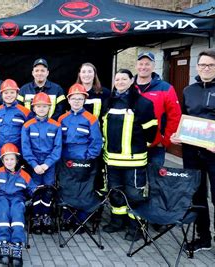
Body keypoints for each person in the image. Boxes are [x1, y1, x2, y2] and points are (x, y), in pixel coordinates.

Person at [171, 49, 215, 264]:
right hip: (192, 153)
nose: (205, 69)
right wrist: (177, 135)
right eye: (202, 65)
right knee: (197, 196)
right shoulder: (189, 90)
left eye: (210, 65)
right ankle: (204, 238)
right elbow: (183, 118)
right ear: (197, 66)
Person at [101, 69, 158, 241]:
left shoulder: (143, 103)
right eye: (117, 79)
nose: (120, 82)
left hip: (134, 161)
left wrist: (138, 144)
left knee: (134, 195)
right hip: (111, 159)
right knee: (115, 192)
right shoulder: (108, 102)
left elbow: (151, 132)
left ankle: (136, 227)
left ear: (131, 80)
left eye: (124, 79)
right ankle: (118, 222)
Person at [0, 143, 37, 267]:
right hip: (1, 198)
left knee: (17, 214)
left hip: (17, 198)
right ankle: (4, 244)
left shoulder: (24, 175)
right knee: (3, 212)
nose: (9, 162)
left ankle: (17, 247)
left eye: (12, 159)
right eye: (6, 159)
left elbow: (33, 189)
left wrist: (38, 191)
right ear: (2, 160)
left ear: (17, 160)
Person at [57, 84, 103, 232]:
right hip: (65, 161)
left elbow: (96, 141)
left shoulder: (91, 119)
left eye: (80, 98)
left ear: (84, 100)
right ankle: (67, 217)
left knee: (83, 190)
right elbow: (58, 141)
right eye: (74, 98)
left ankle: (80, 220)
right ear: (69, 100)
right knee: (66, 188)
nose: (76, 101)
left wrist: (88, 158)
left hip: (84, 161)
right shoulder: (62, 118)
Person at [21, 92, 62, 235]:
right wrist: (34, 165)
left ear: (49, 107)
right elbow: (25, 148)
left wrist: (46, 164)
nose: (42, 109)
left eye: (45, 106)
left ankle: (47, 216)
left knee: (48, 190)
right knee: (35, 191)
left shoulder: (56, 126)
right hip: (34, 165)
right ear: (33, 108)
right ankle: (36, 217)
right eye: (38, 106)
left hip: (49, 165)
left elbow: (58, 149)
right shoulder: (27, 126)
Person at [135, 52, 181, 166]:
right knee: (134, 182)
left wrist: (165, 140)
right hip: (132, 144)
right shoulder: (128, 86)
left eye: (147, 64)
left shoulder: (165, 88)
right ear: (136, 66)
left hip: (155, 146)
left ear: (153, 66)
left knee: (155, 181)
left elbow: (175, 116)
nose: (143, 67)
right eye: (141, 64)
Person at [76, 62, 111, 196]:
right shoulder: (74, 92)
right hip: (79, 141)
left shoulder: (104, 93)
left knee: (97, 172)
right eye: (83, 72)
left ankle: (97, 208)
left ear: (94, 74)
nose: (86, 75)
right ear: (79, 74)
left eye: (90, 71)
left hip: (98, 140)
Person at [0, 79, 31, 169]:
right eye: (6, 93)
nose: (9, 95)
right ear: (1, 94)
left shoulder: (25, 112)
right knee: (0, 179)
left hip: (18, 154)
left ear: (17, 94)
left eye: (12, 92)